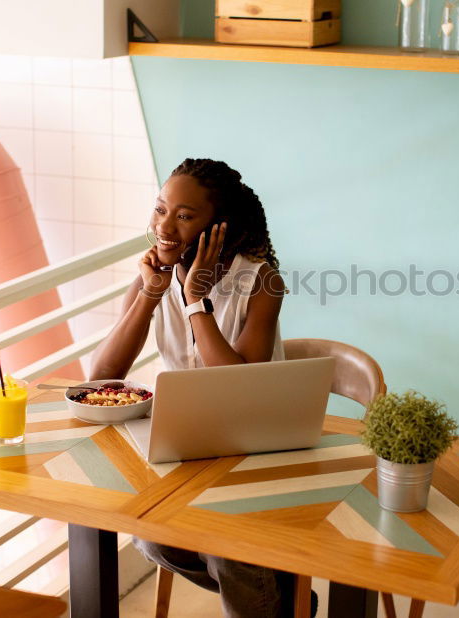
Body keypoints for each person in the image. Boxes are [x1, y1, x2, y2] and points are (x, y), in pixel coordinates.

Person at [90, 158, 312, 618]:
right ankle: (284, 598)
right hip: (191, 445)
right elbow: (101, 378)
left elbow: (238, 387)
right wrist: (152, 294)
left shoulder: (261, 280)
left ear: (219, 227)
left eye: (185, 216)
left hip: (258, 445)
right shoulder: (153, 275)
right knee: (150, 535)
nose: (163, 227)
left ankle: (268, 590)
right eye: (159, 210)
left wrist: (195, 300)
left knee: (229, 547)